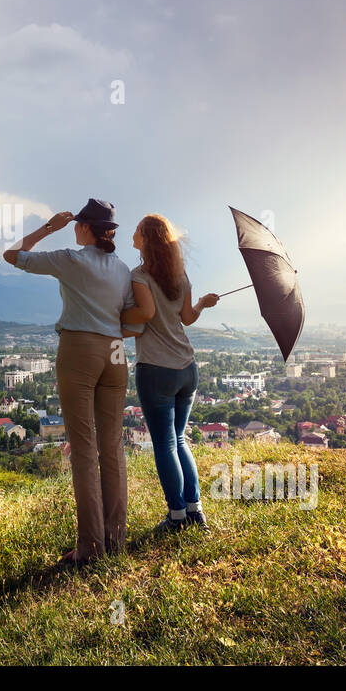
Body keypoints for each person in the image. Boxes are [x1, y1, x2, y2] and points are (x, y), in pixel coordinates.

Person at [4, 198, 142, 564]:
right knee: (112, 447)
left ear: (83, 227)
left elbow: (12, 255)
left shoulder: (71, 259)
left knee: (83, 448)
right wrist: (109, 335)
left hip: (79, 348)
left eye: (78, 223)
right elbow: (136, 321)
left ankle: (90, 548)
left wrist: (49, 227)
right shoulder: (123, 269)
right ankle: (115, 539)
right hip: (116, 352)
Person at [121, 214, 219, 531]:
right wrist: (203, 302)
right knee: (179, 439)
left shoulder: (139, 276)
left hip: (156, 369)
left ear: (147, 240)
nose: (132, 234)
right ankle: (196, 512)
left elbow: (145, 314)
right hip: (187, 368)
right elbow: (188, 318)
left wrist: (112, 319)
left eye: (137, 231)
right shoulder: (180, 275)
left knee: (164, 444)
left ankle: (176, 517)